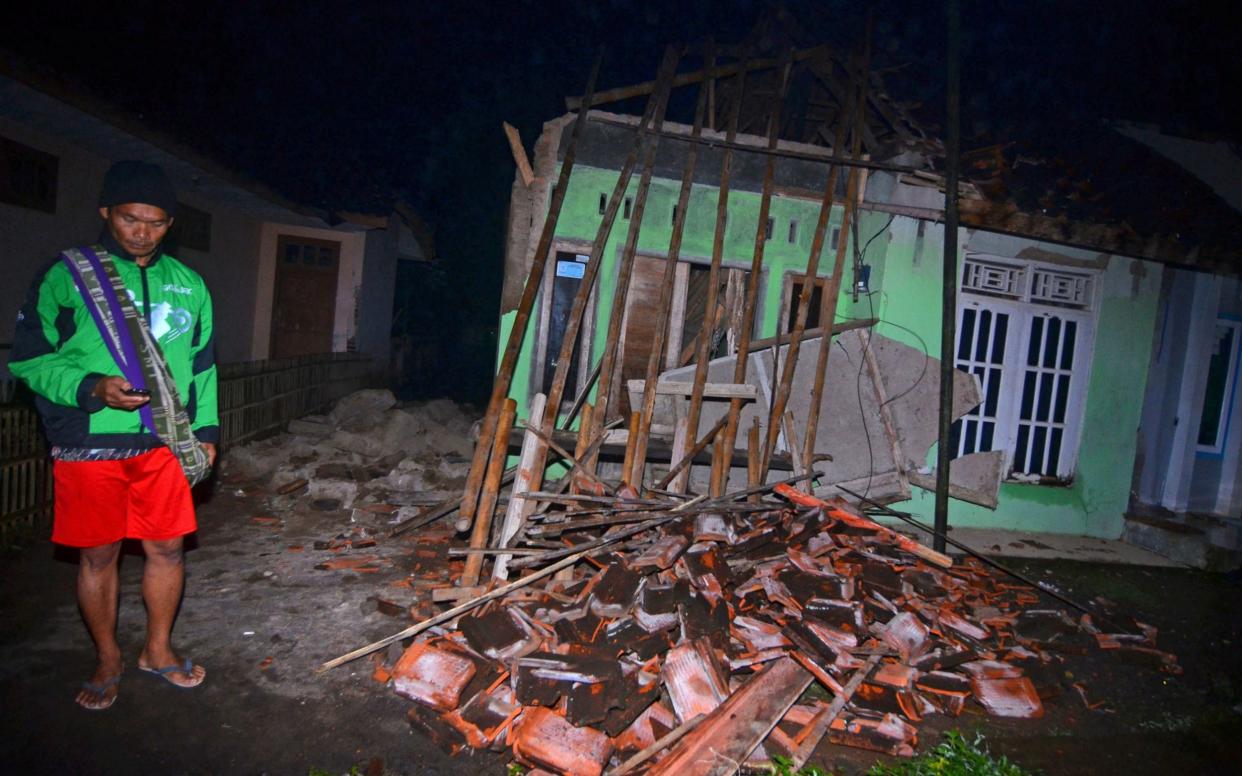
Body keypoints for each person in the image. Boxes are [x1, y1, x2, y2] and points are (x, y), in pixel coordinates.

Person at [9, 160, 218, 710]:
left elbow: (203, 365)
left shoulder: (190, 284)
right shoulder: (67, 274)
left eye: (155, 222)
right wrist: (90, 386)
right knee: (98, 555)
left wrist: (209, 430)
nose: (142, 232)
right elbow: (28, 361)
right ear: (106, 212)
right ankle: (107, 657)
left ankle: (158, 650)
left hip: (165, 441)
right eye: (130, 218)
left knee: (168, 548)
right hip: (90, 440)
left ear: (169, 223)